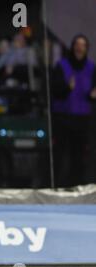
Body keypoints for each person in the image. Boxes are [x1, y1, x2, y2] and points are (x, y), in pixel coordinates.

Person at [51, 34, 96, 187]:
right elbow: (55, 90)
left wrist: (92, 95)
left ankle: (77, 185)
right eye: (77, 44)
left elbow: (92, 92)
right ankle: (57, 186)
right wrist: (67, 88)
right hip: (63, 116)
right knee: (60, 153)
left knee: (79, 154)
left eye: (83, 45)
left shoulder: (92, 67)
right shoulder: (62, 65)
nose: (79, 48)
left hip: (82, 118)